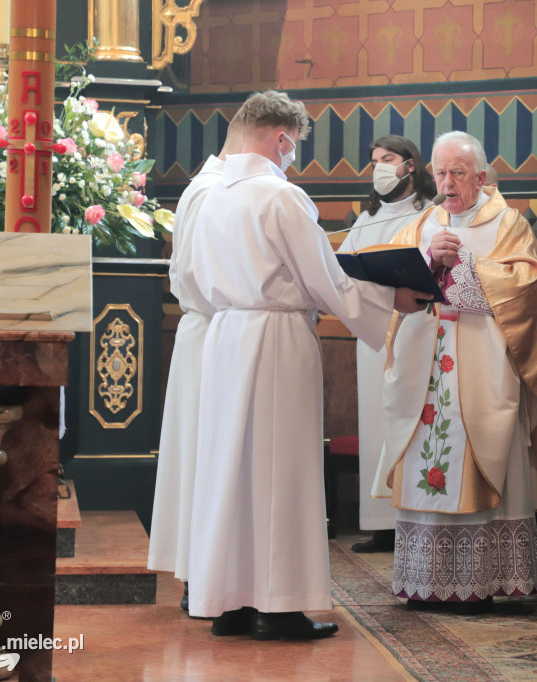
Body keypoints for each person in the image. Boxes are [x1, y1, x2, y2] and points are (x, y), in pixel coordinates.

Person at [186, 91, 428, 640]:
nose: (291, 157)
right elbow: (326, 278)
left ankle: (229, 602)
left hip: (226, 335)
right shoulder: (281, 196)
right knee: (281, 469)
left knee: (231, 469)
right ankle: (281, 605)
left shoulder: (209, 195)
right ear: (281, 139)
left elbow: (197, 280)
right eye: (292, 148)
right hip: (274, 338)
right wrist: (394, 300)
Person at [373, 131, 537, 611]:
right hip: (427, 365)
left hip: (482, 363)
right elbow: (393, 282)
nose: (447, 183)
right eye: (440, 172)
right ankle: (424, 581)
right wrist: (430, 262)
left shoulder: (508, 224)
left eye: (458, 173)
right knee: (426, 453)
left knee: (480, 446)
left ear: (482, 177)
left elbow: (525, 287)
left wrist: (465, 265)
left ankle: (479, 582)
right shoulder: (422, 223)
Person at [147, 115, 243, 612]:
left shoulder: (203, 186)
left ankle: (202, 574)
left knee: (200, 456)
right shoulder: (214, 192)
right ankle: (200, 578)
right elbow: (210, 274)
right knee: (206, 456)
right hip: (213, 330)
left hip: (204, 330)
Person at [340, 135, 436, 554]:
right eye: (374, 160)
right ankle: (380, 524)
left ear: (410, 165)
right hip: (375, 329)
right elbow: (343, 266)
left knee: (408, 419)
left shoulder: (431, 214)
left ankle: (413, 516)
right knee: (376, 421)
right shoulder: (367, 218)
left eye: (388, 159)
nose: (379, 166)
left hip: (417, 327)